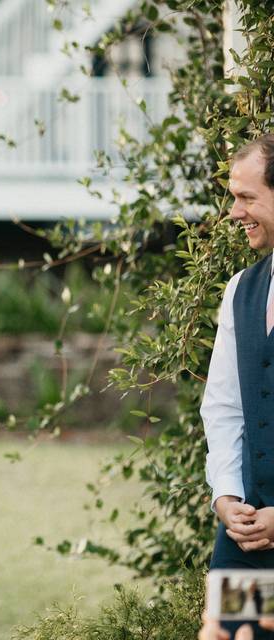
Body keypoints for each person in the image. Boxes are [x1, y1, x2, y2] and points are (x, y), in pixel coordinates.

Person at [202, 133, 274, 639]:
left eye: (246, 197)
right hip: (243, 542)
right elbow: (224, 407)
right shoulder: (240, 290)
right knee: (227, 634)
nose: (234, 211)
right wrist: (226, 496)